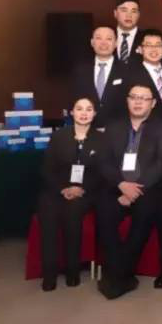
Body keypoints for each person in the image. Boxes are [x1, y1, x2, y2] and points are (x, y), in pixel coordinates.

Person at [97, 84, 162, 299]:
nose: (138, 102)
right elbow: (104, 161)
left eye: (144, 98)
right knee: (104, 212)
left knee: (144, 215)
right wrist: (121, 185)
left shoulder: (161, 127)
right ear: (127, 100)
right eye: (134, 97)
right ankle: (121, 274)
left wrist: (136, 190)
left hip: (147, 187)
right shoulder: (114, 127)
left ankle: (118, 275)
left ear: (153, 103)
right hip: (117, 186)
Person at [39, 97, 104, 291]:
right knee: (48, 210)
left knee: (73, 211)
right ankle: (49, 274)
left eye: (89, 109)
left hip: (86, 192)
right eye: (79, 108)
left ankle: (72, 271)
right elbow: (47, 170)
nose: (84, 113)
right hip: (57, 189)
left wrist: (81, 189)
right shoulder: (58, 137)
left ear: (94, 114)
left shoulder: (101, 139)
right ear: (72, 112)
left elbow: (102, 173)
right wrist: (62, 189)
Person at [72, 26, 128, 129]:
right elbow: (74, 101)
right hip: (88, 130)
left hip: (119, 131)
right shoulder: (81, 70)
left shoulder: (127, 70)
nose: (103, 43)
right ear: (92, 42)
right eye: (99, 38)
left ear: (116, 43)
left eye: (109, 39)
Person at [124, 29, 162, 121]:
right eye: (148, 45)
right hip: (144, 126)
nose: (154, 49)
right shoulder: (130, 76)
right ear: (140, 49)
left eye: (158, 45)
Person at [114, 0, 143, 65]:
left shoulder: (146, 38)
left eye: (134, 11)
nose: (129, 15)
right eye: (124, 10)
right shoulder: (107, 36)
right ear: (115, 13)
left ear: (138, 15)